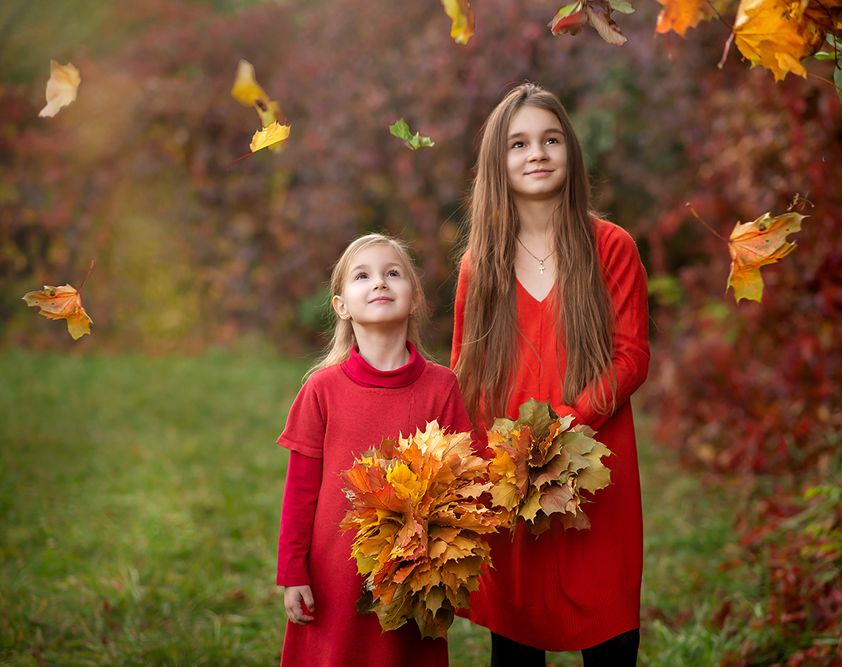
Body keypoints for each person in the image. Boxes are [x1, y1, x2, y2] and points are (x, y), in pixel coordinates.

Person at [451, 82, 650, 666]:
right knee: (515, 645)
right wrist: (491, 468)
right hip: (509, 481)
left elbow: (630, 356)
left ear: (570, 151)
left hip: (596, 465)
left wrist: (566, 426)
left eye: (551, 139)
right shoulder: (480, 263)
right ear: (498, 161)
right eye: (518, 143)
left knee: (611, 637)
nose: (536, 153)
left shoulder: (610, 246)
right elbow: (466, 374)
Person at [275, 233, 470, 667]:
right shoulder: (321, 390)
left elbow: (462, 485)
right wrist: (292, 572)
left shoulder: (441, 387)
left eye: (392, 273)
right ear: (341, 305)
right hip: (333, 575)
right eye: (362, 276)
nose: (379, 282)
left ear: (414, 298)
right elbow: (300, 492)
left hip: (411, 574)